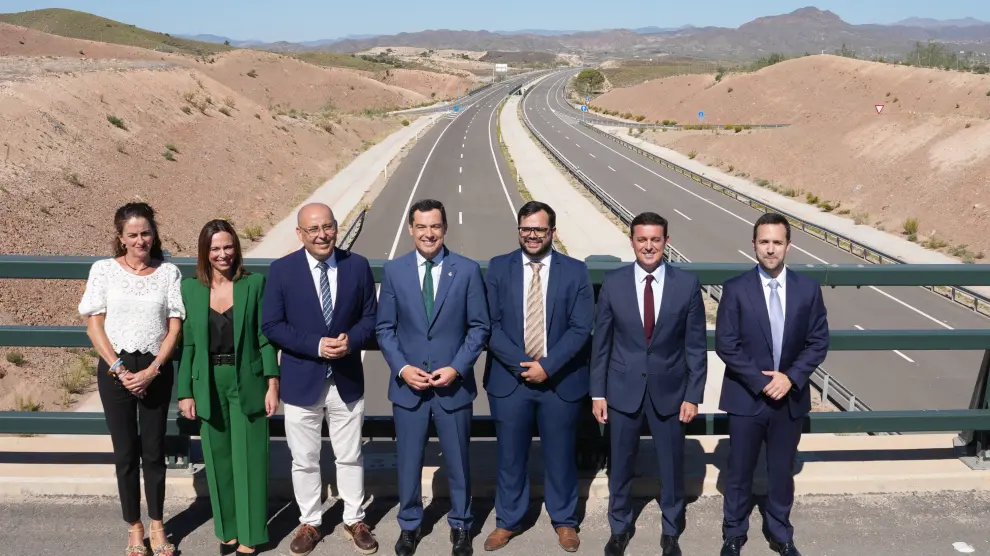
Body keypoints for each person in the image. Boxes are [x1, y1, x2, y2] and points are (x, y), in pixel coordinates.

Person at [261, 203, 379, 556]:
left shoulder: (357, 266)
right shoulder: (282, 270)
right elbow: (272, 325)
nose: (322, 235)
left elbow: (371, 318)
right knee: (304, 458)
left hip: (346, 378)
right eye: (313, 229)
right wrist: (315, 345)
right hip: (301, 379)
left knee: (351, 454)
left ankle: (354, 519)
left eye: (328, 227)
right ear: (300, 233)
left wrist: (351, 340)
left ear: (336, 228)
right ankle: (310, 522)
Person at [376, 198, 490, 556]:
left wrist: (456, 368)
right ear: (411, 229)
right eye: (422, 226)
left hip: (452, 386)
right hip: (408, 387)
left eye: (435, 226)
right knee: (408, 463)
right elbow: (384, 329)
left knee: (458, 462)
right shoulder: (394, 271)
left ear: (445, 228)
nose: (429, 233)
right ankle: (410, 525)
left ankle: (462, 525)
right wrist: (403, 368)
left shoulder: (467, 270)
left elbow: (479, 327)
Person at [590, 211, 707, 556]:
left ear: (666, 242)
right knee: (620, 466)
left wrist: (693, 395)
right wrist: (598, 393)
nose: (649, 246)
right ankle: (619, 527)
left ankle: (671, 531)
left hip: (670, 392)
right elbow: (602, 345)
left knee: (671, 467)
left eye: (656, 239)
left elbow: (695, 346)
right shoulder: (614, 282)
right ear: (632, 242)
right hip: (622, 390)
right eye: (642, 239)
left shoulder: (687, 284)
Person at [481, 201, 593, 553]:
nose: (532, 235)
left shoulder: (575, 271)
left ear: (552, 233)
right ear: (519, 230)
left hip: (559, 381)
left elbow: (581, 327)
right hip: (510, 380)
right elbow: (489, 325)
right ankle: (507, 521)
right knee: (510, 457)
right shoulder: (498, 267)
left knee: (560, 455)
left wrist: (547, 365)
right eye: (526, 229)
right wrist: (522, 364)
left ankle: (565, 521)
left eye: (539, 229)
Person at [715, 213, 829, 556]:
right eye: (764, 242)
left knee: (781, 472)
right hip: (746, 397)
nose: (770, 249)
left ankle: (781, 533)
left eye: (777, 242)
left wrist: (789, 378)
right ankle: (733, 534)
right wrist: (761, 381)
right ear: (753, 245)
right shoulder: (736, 288)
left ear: (788, 246)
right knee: (739, 471)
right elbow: (726, 344)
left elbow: (818, 342)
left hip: (789, 399)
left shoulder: (808, 289)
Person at [78, 202, 184, 556]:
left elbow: (174, 327)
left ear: (154, 234)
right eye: (133, 234)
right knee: (125, 452)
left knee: (154, 451)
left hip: (155, 370)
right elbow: (94, 325)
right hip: (116, 371)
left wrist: (152, 370)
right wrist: (121, 370)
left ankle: (157, 524)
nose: (141, 240)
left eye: (146, 233)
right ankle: (134, 527)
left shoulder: (168, 273)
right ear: (121, 237)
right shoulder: (104, 271)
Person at [176, 220, 280, 555]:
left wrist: (272, 383)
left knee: (250, 458)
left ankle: (250, 534)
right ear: (205, 253)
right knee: (218, 458)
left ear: (236, 247)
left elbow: (265, 339)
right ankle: (228, 530)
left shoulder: (254, 284)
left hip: (247, 379)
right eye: (215, 248)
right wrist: (185, 391)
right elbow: (188, 345)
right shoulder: (191, 289)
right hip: (208, 382)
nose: (223, 254)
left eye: (228, 246)